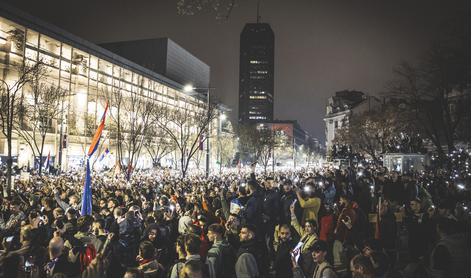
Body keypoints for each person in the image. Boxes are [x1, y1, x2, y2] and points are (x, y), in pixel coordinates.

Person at [290, 203, 318, 276]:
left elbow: (310, 257)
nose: (306, 228)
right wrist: (292, 212)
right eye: (306, 226)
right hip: (300, 261)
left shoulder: (315, 240)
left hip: (307, 265)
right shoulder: (305, 234)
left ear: (314, 227)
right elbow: (296, 225)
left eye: (309, 226)